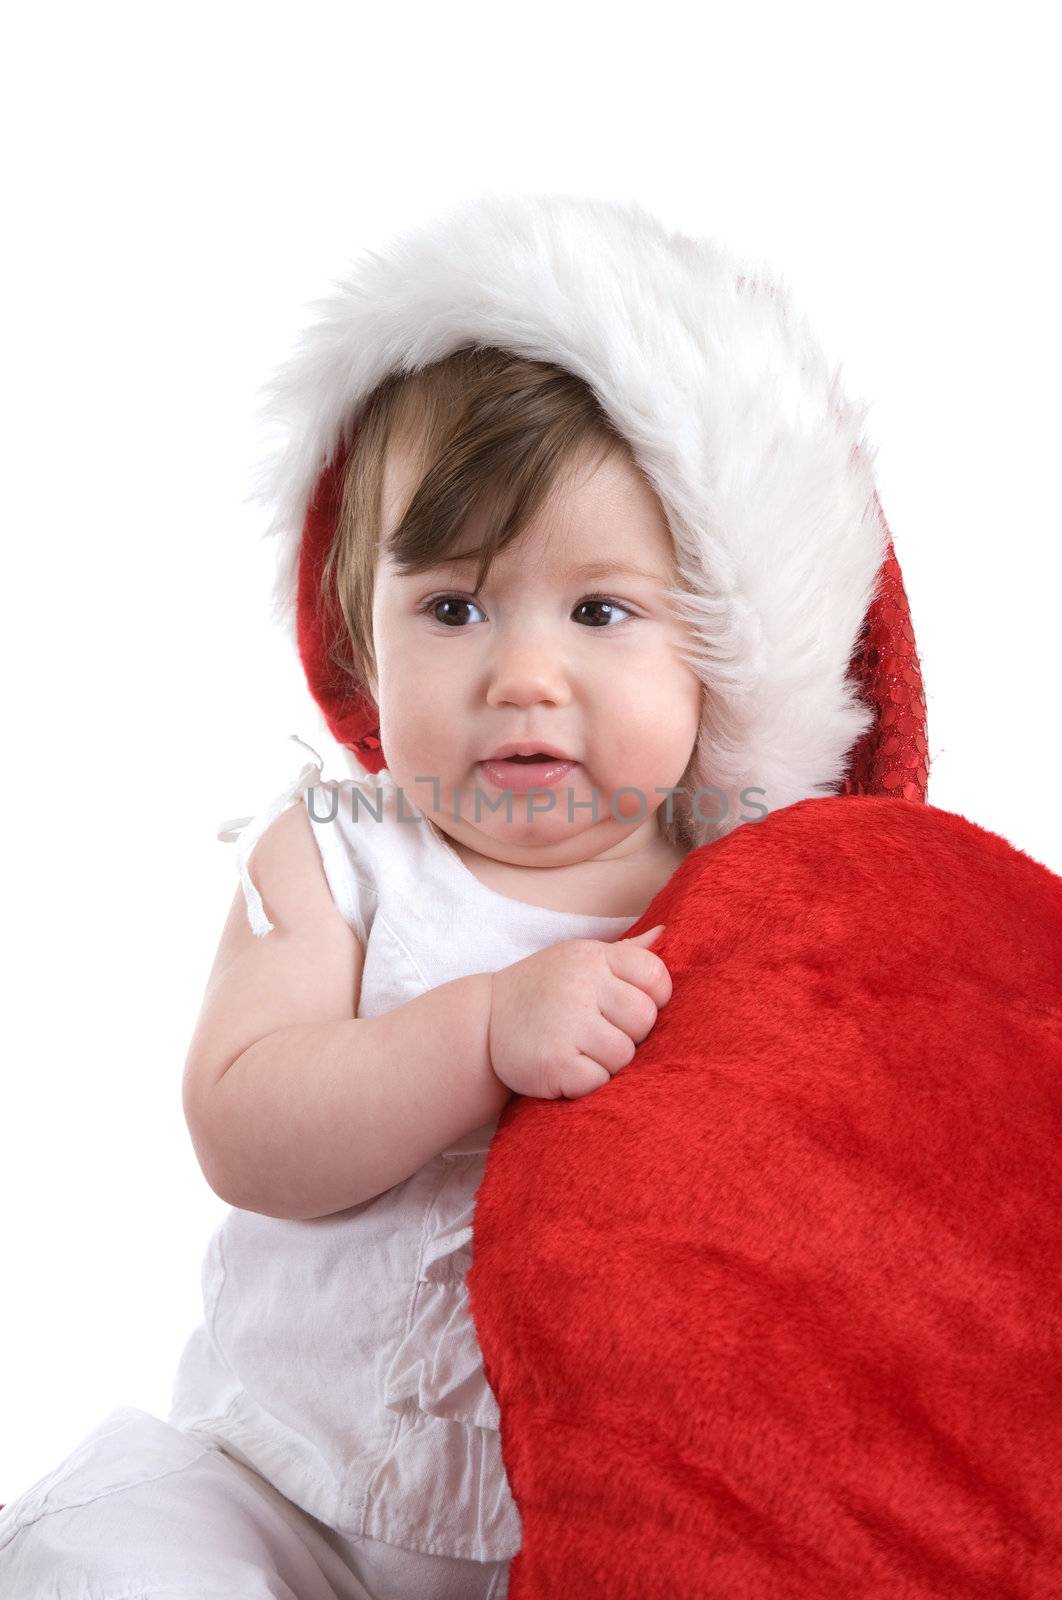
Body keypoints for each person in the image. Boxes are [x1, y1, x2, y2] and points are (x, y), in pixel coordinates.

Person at [0, 191, 922, 1598]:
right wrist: (480, 1031)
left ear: (717, 659)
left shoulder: (743, 905)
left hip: (557, 1541)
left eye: (600, 611)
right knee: (116, 1557)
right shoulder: (340, 850)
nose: (522, 677)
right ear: (360, 643)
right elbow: (244, 1123)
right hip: (285, 1493)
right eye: (453, 607)